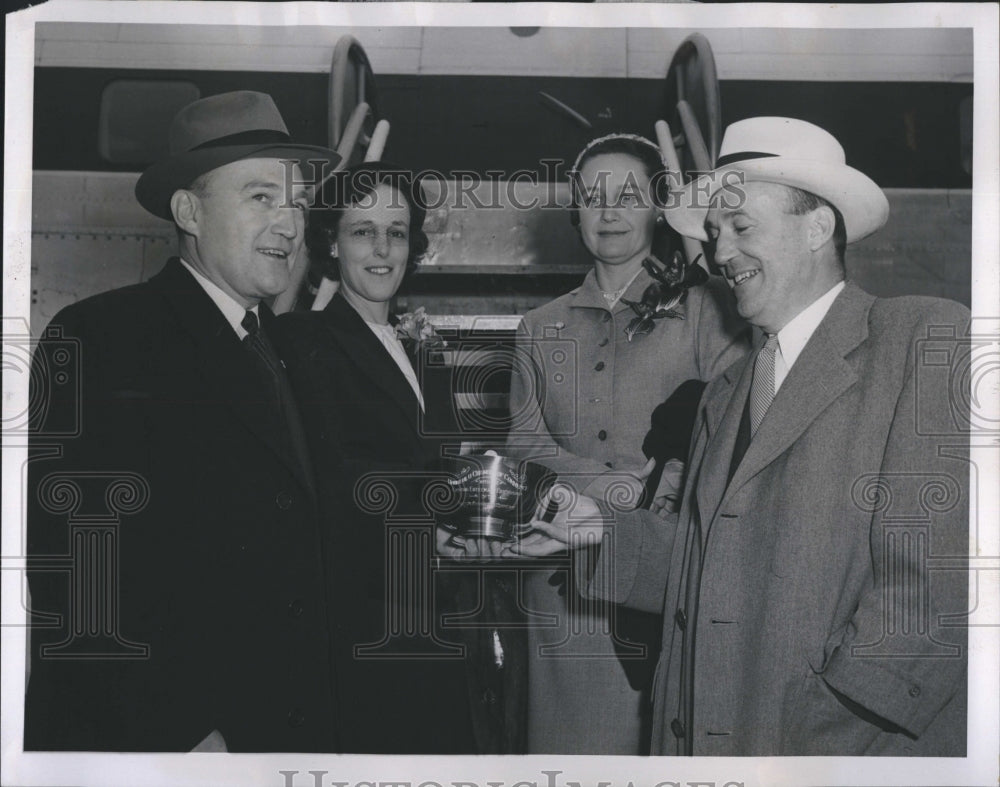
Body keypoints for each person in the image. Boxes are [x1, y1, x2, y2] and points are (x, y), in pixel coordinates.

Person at [517, 117, 970, 756]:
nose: (720, 252)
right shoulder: (728, 392)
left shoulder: (920, 338)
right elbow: (706, 555)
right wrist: (595, 526)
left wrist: (826, 730)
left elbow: (937, 586)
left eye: (742, 227)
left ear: (818, 227)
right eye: (714, 232)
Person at [24, 91, 342, 752]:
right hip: (176, 741)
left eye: (298, 201)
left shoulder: (278, 349)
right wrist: (178, 734)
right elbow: (79, 571)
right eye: (261, 197)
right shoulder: (100, 337)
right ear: (188, 211)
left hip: (281, 732)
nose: (290, 223)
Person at [502, 133, 750, 754]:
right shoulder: (539, 327)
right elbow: (524, 444)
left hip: (672, 576)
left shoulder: (712, 310)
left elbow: (730, 436)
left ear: (658, 207)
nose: (609, 212)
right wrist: (613, 488)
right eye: (593, 197)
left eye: (628, 195)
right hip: (565, 587)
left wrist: (648, 500)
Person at [272, 164, 477, 754]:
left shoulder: (423, 350)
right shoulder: (302, 342)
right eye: (362, 232)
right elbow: (335, 478)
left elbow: (433, 468)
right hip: (354, 619)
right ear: (331, 244)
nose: (383, 249)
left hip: (427, 610)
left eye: (397, 230)